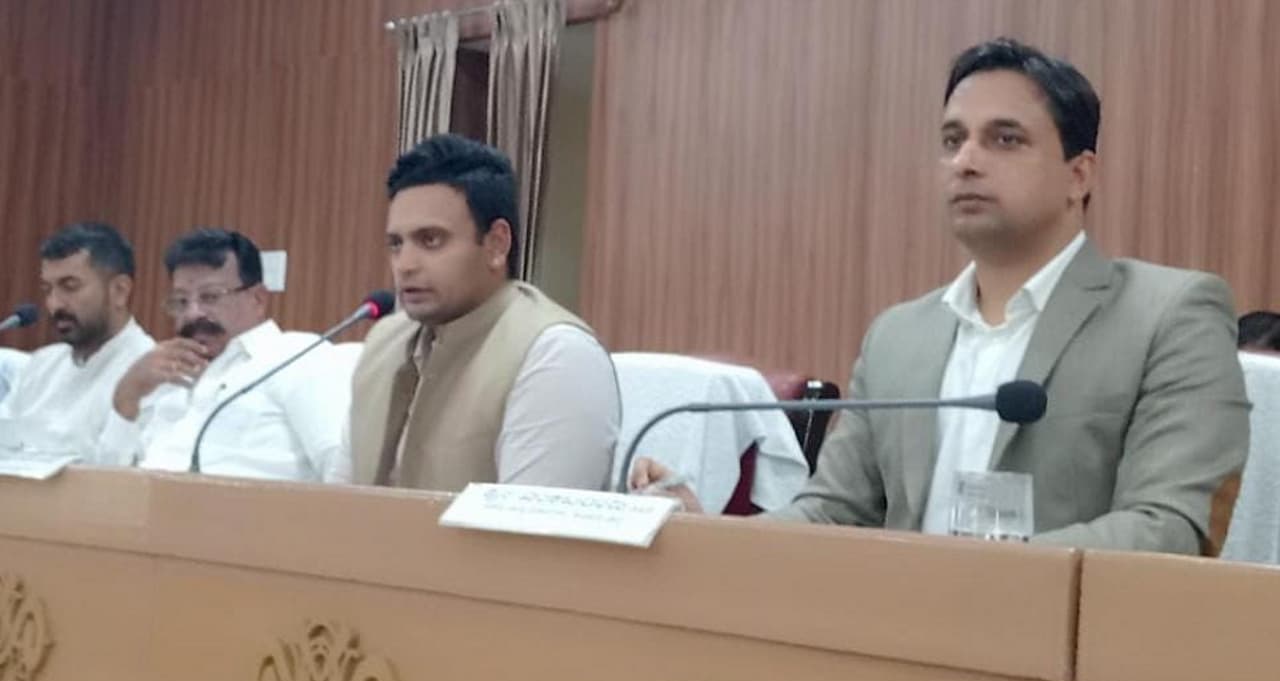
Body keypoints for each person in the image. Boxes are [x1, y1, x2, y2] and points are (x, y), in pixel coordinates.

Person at [632, 38, 1249, 555]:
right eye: (953, 140)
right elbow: (833, 513)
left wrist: (966, 583)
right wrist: (710, 535)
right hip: (902, 641)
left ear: (1078, 175)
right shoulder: (900, 336)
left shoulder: (1168, 314)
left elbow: (1168, 528)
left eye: (1004, 139)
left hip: (1067, 649)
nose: (966, 161)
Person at [337, 134, 620, 490]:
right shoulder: (383, 341)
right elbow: (335, 499)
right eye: (396, 244)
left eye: (431, 240)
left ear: (496, 244)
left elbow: (533, 525)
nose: (404, 264)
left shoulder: (556, 355)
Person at [102, 228, 348, 480]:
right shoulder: (168, 377)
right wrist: (127, 393)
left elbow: (342, 471)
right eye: (181, 301)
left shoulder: (296, 357)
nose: (192, 314)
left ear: (258, 299)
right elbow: (107, 482)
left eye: (210, 297)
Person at [0, 223, 154, 459]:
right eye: (48, 290)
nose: (54, 304)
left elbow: (130, 474)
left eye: (70, 287)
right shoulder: (41, 364)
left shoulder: (151, 373)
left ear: (119, 291)